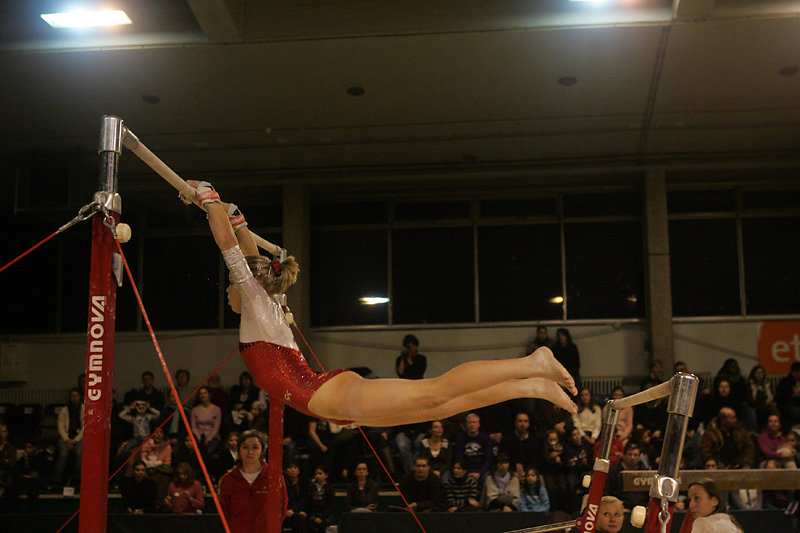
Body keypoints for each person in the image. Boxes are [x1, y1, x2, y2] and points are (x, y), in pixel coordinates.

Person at [182, 180, 577, 430]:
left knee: (434, 393)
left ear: (247, 283)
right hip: (330, 403)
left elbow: (230, 247)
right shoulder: (262, 303)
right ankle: (531, 385)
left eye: (232, 284)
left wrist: (206, 195)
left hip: (329, 396)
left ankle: (532, 363)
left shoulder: (256, 300)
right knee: (438, 408)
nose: (228, 292)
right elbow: (241, 244)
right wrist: (231, 214)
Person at [219, 429, 287, 533]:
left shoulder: (274, 477)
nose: (250, 452)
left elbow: (282, 506)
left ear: (262, 450)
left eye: (255, 447)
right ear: (239, 449)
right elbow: (225, 511)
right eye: (245, 447)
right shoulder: (228, 479)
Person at [52, 387, 84, 487]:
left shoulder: (85, 409)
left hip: (79, 438)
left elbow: (86, 427)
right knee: (63, 455)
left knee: (79, 454)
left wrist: (75, 440)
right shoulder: (64, 410)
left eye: (77, 396)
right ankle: (56, 481)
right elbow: (60, 426)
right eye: (73, 396)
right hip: (65, 438)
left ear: (80, 397)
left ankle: (78, 480)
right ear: (70, 397)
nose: (75, 398)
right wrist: (67, 440)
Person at [605, 441, 648, 510]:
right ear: (624, 455)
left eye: (635, 455)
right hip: (620, 507)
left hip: (641, 508)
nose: (632, 458)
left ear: (639, 457)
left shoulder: (644, 472)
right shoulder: (614, 471)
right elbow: (608, 492)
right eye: (630, 455)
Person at [453, 413, 494, 482]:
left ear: (478, 424)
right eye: (469, 423)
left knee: (487, 478)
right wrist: (466, 472)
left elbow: (488, 459)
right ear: (466, 425)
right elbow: (459, 458)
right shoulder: (460, 438)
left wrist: (479, 473)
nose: (472, 425)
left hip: (482, 469)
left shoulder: (486, 438)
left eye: (474, 422)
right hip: (466, 470)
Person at [500, 412, 536, 479]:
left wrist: (527, 472)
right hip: (510, 472)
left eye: (525, 421)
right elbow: (504, 459)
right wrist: (512, 472)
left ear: (528, 424)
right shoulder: (506, 440)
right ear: (515, 423)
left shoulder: (533, 440)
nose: (522, 424)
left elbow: (535, 460)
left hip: (529, 473)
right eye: (520, 421)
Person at [190, 386, 222, 456]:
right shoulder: (195, 410)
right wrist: (198, 437)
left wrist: (208, 439)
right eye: (201, 393)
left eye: (205, 393)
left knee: (209, 452)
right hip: (199, 437)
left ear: (209, 395)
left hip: (213, 437)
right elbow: (193, 427)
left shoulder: (216, 409)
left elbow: (216, 427)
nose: (203, 395)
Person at [306, 465, 334, 532]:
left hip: (325, 515)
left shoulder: (329, 488)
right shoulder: (312, 488)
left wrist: (322, 518)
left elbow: (330, 505)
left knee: (323, 525)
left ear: (326, 475)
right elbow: (308, 503)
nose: (317, 476)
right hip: (313, 515)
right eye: (316, 474)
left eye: (320, 473)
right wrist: (314, 517)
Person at [283, 461, 308, 533]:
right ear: (286, 471)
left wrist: (295, 510)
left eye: (295, 467)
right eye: (290, 468)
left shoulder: (303, 483)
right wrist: (287, 510)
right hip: (286, 511)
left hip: (299, 510)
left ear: (299, 471)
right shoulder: (283, 483)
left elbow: (305, 499)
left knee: (302, 518)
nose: (292, 470)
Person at [776, 362, 800, 428]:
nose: (798, 374)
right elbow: (781, 396)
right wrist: (793, 392)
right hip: (788, 404)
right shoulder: (785, 381)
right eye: (796, 372)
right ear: (792, 372)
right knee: (796, 412)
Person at [0, 423, 17, 495]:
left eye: (3, 432)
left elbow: (11, 464)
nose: (1, 434)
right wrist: (4, 460)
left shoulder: (11, 448)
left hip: (5, 479)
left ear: (7, 433)